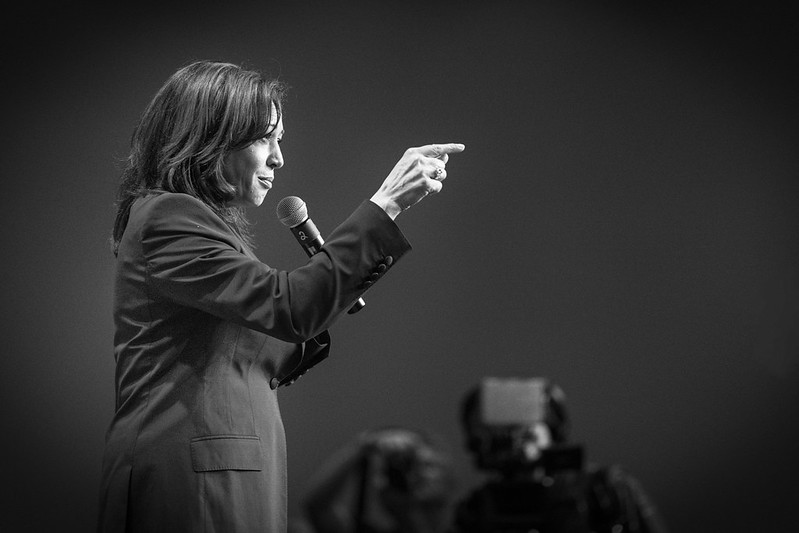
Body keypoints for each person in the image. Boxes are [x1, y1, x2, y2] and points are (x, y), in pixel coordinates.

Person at [96, 59, 465, 533]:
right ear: (210, 138)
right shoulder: (170, 217)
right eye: (264, 137)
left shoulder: (190, 222)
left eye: (280, 139)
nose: (278, 158)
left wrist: (326, 290)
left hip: (218, 474)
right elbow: (290, 308)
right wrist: (387, 203)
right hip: (192, 482)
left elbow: (284, 320)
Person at [451, 377, 669, 533]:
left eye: (525, 433)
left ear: (551, 431)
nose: (512, 442)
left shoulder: (604, 490)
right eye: (494, 435)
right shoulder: (479, 507)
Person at [298, 427, 456, 533]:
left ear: (450, 475)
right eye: (406, 468)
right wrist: (364, 446)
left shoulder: (473, 522)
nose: (415, 475)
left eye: (428, 465)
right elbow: (317, 507)